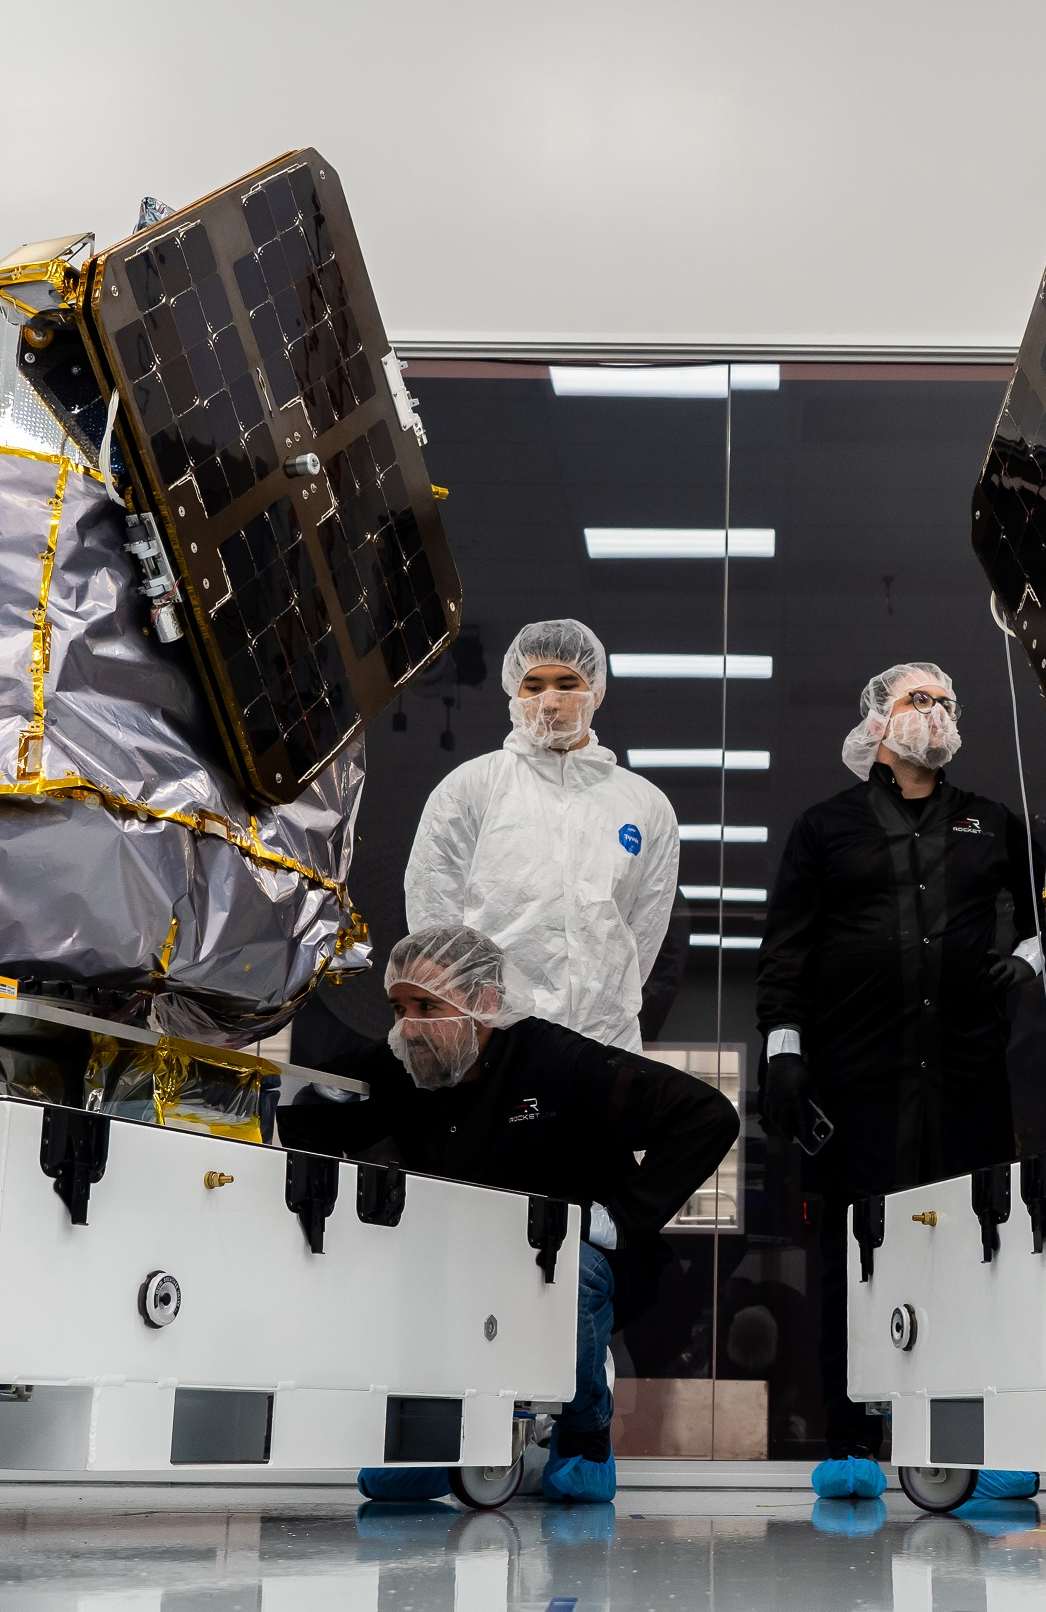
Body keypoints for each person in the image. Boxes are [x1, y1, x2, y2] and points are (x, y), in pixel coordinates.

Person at [279, 924, 738, 1505]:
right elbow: (309, 1116)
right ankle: (429, 1443)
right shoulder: (405, 1065)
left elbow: (707, 1116)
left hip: (572, 1258)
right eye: (398, 1008)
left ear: (486, 1003)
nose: (408, 1027)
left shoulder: (558, 1063)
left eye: (427, 1005)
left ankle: (584, 1435)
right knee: (406, 1271)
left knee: (577, 1271)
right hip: (465, 1253)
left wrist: (618, 1218)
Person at [754, 662, 1043, 1502]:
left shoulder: (992, 822)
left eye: (946, 700)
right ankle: (850, 1439)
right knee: (856, 1254)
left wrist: (1020, 969)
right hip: (855, 1079)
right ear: (877, 720)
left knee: (969, 1249)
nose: (936, 711)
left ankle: (972, 1438)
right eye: (917, 699)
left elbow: (1045, 920)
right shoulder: (825, 829)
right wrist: (782, 1052)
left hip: (963, 1077)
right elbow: (785, 955)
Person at [406, 619, 680, 1050]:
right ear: (514, 692)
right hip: (494, 1038)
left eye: (567, 683)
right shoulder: (471, 788)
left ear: (597, 692)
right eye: (533, 685)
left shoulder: (645, 805)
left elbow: (643, 934)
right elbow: (434, 916)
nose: (549, 700)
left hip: (605, 1040)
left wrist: (603, 1002)